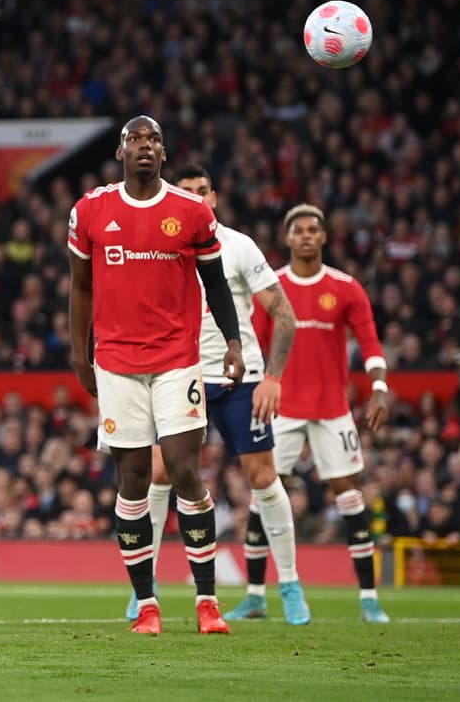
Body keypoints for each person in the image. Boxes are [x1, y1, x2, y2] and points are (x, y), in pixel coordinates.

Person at [68, 117, 245, 636]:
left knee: (185, 470)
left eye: (153, 140)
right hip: (116, 364)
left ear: (164, 153)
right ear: (120, 151)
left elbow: (216, 284)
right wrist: (80, 355)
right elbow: (80, 288)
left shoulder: (191, 211)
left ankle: (207, 602)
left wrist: (233, 343)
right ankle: (147, 606)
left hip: (176, 360)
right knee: (133, 480)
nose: (144, 147)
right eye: (135, 140)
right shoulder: (90, 210)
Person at [124, 164, 308, 625]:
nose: (196, 197)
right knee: (159, 471)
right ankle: (145, 587)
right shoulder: (158, 243)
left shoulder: (239, 246)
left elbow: (284, 315)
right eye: (186, 191)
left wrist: (274, 377)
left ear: (215, 197)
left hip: (239, 380)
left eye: (202, 190)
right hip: (179, 374)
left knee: (263, 477)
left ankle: (289, 584)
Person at [254, 204, 392, 623]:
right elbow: (255, 343)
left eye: (314, 229)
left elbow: (370, 343)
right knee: (263, 491)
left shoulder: (346, 288)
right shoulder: (271, 286)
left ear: (325, 237)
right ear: (288, 238)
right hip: (282, 409)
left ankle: (369, 597)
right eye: (299, 230)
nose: (306, 236)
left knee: (350, 496)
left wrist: (379, 388)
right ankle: (255, 595)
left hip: (333, 411)